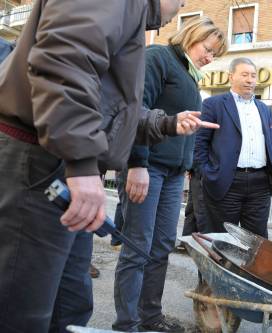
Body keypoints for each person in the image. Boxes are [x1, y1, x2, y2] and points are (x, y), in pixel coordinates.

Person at [0, 0, 220, 331]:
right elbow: (64, 65)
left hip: (61, 164)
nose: (182, 4)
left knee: (71, 303)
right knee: (24, 310)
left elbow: (110, 104)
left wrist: (166, 124)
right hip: (41, 161)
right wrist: (83, 164)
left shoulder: (128, 17)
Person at [113, 17, 227, 332]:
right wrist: (137, 163)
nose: (210, 58)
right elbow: (138, 110)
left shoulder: (191, 76)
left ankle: (150, 317)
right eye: (208, 49)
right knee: (138, 246)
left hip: (174, 174)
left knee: (161, 246)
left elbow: (185, 126)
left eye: (216, 54)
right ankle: (127, 323)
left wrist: (188, 164)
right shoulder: (158, 58)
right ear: (192, 36)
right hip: (146, 167)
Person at [194, 57, 272, 238]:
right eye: (244, 75)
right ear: (231, 77)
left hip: (260, 185)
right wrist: (208, 172)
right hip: (225, 182)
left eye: (253, 75)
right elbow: (199, 144)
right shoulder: (214, 104)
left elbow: (271, 145)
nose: (250, 80)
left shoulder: (264, 109)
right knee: (219, 240)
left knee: (256, 242)